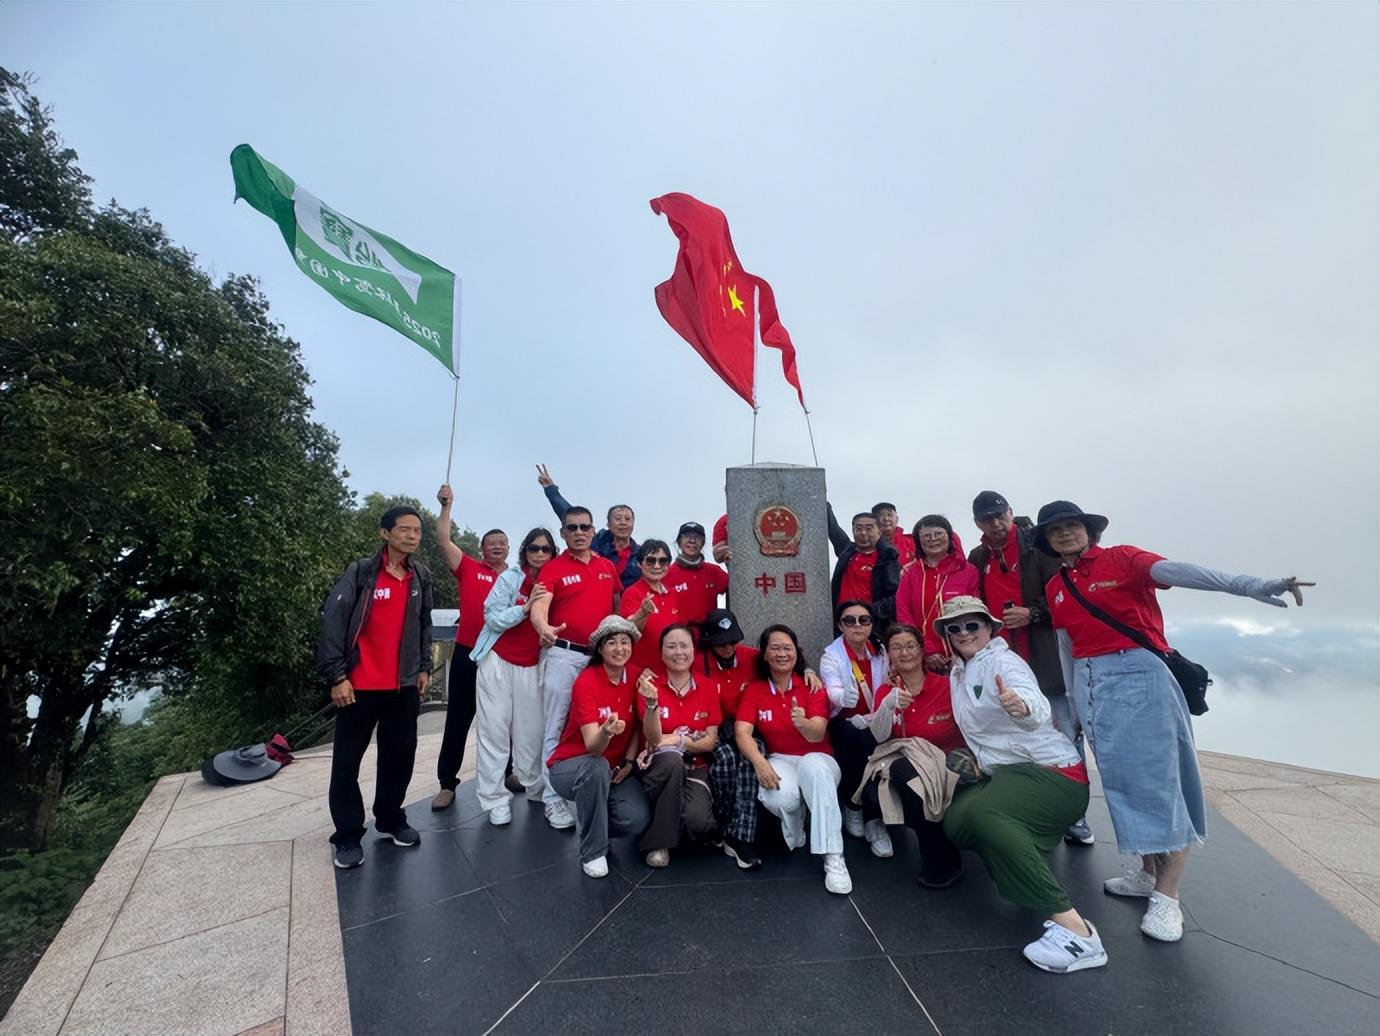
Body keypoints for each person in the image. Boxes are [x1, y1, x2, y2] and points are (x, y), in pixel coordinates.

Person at [1033, 500, 1313, 943]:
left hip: (1138, 672)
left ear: (1088, 530)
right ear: (1048, 541)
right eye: (1055, 530)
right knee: (1123, 782)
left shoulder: (1122, 559)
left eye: (1072, 525)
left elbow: (1182, 572)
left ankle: (1168, 895)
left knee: (1160, 781)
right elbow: (1067, 646)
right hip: (1091, 684)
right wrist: (1073, 705)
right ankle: (1147, 872)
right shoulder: (1057, 586)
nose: (1065, 533)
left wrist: (1252, 586)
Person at [930, 597, 1108, 974]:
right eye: (954, 628)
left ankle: (1077, 932)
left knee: (985, 814)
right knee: (956, 822)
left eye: (972, 625)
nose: (964, 633)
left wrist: (1022, 707)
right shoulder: (959, 671)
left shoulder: (1003, 662)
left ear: (989, 628)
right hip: (1010, 773)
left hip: (1053, 773)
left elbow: (1033, 702)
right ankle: (1027, 854)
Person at [967, 490, 1092, 847]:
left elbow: (1066, 594)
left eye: (999, 515)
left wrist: (1032, 612)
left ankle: (1075, 816)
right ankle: (1027, 807)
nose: (995, 523)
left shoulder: (1038, 547)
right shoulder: (978, 556)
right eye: (986, 519)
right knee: (1010, 735)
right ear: (977, 523)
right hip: (1000, 661)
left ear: (1010, 512)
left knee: (1063, 733)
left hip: (1043, 658)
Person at [316, 506, 433, 869]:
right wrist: (337, 676)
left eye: (417, 531)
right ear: (385, 533)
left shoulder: (420, 576)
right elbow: (333, 621)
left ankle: (391, 818)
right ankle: (348, 835)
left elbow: (424, 624)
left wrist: (424, 666)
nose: (412, 536)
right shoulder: (362, 572)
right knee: (347, 763)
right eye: (404, 529)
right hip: (358, 687)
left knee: (400, 757)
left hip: (403, 686)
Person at [735, 624, 852, 895]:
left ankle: (834, 856)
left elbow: (817, 734)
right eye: (775, 648)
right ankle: (797, 821)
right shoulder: (755, 690)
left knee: (814, 766)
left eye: (787, 648)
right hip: (780, 759)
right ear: (765, 654)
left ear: (796, 653)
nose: (781, 653)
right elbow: (742, 732)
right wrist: (760, 762)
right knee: (778, 797)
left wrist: (803, 724)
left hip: (820, 759)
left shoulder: (811, 686)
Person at [530, 505, 620, 830]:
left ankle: (589, 788)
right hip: (563, 656)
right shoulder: (553, 568)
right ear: (563, 533)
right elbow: (540, 606)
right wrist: (542, 627)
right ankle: (552, 799)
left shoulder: (607, 566)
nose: (579, 533)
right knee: (555, 726)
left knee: (595, 726)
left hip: (597, 660)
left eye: (584, 527)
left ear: (593, 531)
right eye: (572, 528)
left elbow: (616, 609)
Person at [859, 623, 966, 888]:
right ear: (889, 655)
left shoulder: (947, 686)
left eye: (910, 646)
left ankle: (939, 852)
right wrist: (888, 705)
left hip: (948, 761)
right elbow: (879, 736)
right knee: (902, 771)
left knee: (910, 776)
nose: (904, 652)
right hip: (909, 767)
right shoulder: (886, 691)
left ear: (921, 649)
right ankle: (937, 852)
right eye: (896, 647)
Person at [545, 615, 651, 878]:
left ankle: (596, 822)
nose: (619, 648)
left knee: (635, 818)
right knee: (596, 766)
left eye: (625, 642)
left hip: (615, 770)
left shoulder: (637, 676)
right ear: (600, 648)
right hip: (572, 766)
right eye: (611, 642)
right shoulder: (587, 682)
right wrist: (605, 732)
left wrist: (628, 761)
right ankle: (592, 851)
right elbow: (593, 747)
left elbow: (638, 726)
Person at [468, 527, 556, 826]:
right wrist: (525, 608)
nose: (539, 554)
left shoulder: (556, 582)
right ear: (524, 551)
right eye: (534, 548)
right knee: (493, 732)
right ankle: (494, 799)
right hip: (498, 661)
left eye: (545, 549)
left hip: (532, 666)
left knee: (532, 734)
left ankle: (536, 787)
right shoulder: (510, 578)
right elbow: (492, 617)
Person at [432, 485, 508, 810]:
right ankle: (447, 783)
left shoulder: (517, 578)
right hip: (468, 653)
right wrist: (446, 507)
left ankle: (510, 772)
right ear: (482, 548)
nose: (498, 547)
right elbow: (443, 541)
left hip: (503, 658)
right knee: (458, 720)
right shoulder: (469, 568)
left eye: (503, 543)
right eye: (492, 543)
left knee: (505, 719)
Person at [633, 625, 720, 867]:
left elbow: (710, 741)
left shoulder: (708, 687)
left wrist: (676, 740)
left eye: (684, 646)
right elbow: (653, 739)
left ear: (694, 650)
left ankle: (664, 820)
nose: (678, 652)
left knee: (697, 821)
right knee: (672, 761)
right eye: (671, 646)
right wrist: (652, 703)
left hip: (695, 768)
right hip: (658, 767)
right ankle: (658, 843)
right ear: (661, 653)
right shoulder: (648, 686)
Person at [819, 600, 893, 858]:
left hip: (876, 718)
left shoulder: (880, 651)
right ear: (840, 625)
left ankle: (873, 819)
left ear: (871, 624)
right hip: (844, 721)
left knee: (871, 739)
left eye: (864, 620)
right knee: (856, 738)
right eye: (849, 620)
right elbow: (831, 687)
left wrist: (875, 715)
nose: (857, 625)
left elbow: (889, 683)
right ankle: (855, 805)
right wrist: (842, 697)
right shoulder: (832, 656)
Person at [535, 463, 640, 588]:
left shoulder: (641, 554)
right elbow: (571, 516)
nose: (623, 522)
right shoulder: (595, 543)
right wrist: (551, 490)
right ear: (608, 524)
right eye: (618, 518)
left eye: (627, 519)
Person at [827, 506, 901, 625]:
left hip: (872, 623)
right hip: (843, 622)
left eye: (869, 528)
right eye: (858, 528)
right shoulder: (846, 553)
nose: (863, 532)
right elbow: (834, 531)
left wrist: (869, 611)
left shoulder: (887, 558)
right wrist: (823, 504)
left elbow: (895, 596)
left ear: (879, 531)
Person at [620, 539, 682, 671]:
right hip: (642, 672)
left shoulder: (673, 594)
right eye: (651, 561)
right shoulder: (632, 593)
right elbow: (627, 632)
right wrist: (642, 613)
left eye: (662, 561)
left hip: (670, 670)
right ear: (639, 563)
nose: (657, 566)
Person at [666, 521, 729, 627]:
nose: (692, 541)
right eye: (687, 536)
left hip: (709, 633)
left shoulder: (714, 572)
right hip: (679, 633)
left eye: (697, 537)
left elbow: (738, 588)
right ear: (679, 542)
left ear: (703, 543)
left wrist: (731, 562)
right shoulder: (667, 574)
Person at [872, 501, 918, 569]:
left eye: (889, 515)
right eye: (881, 515)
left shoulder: (913, 542)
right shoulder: (867, 544)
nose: (886, 519)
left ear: (896, 519)